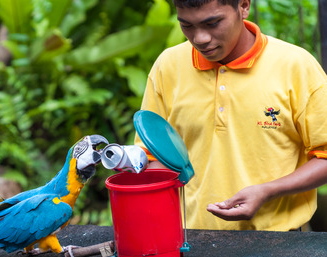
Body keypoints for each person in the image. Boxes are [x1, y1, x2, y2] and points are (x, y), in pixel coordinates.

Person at [135, 0, 327, 231]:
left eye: (213, 23)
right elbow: (153, 157)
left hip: (279, 243)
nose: (200, 38)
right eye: (187, 25)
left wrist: (268, 191)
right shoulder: (168, 66)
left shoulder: (296, 66)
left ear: (244, 6)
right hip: (190, 238)